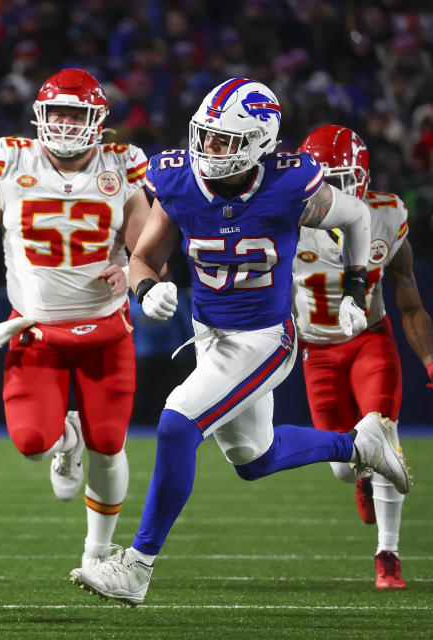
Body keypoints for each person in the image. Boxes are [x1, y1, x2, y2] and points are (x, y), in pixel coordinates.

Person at [70, 78, 412, 605]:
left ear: (259, 143)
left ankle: (137, 566)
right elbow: (143, 257)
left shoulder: (288, 185)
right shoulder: (179, 181)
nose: (209, 151)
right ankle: (361, 443)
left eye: (225, 141)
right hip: (210, 334)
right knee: (256, 458)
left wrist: (357, 287)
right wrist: (146, 288)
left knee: (176, 422)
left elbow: (357, 215)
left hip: (264, 338)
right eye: (204, 137)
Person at [0, 68, 152, 575]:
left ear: (97, 119)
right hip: (35, 329)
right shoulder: (11, 162)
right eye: (59, 113)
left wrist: (133, 269)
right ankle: (64, 440)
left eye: (78, 113)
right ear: (41, 116)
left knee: (110, 445)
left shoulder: (122, 166)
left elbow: (148, 246)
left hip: (105, 331)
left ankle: (97, 554)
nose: (68, 124)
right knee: (31, 442)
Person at [293, 124, 433, 590]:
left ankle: (387, 555)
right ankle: (360, 475)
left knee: (385, 438)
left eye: (341, 178)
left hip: (370, 339)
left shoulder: (386, 216)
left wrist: (430, 358)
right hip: (316, 350)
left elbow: (409, 299)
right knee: (340, 464)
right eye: (322, 178)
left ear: (363, 177)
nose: (332, 190)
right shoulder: (283, 221)